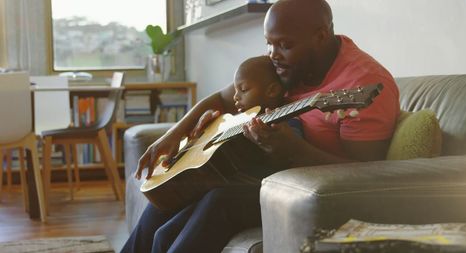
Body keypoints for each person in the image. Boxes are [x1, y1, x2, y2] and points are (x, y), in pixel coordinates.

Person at [122, 0, 400, 252]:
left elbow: (365, 179)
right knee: (171, 195)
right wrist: (173, 136)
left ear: (320, 37)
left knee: (219, 200)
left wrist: (294, 151)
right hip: (261, 172)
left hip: (311, 192)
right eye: (269, 43)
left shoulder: (362, 83)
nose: (273, 54)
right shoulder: (285, 64)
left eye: (284, 45)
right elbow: (221, 99)